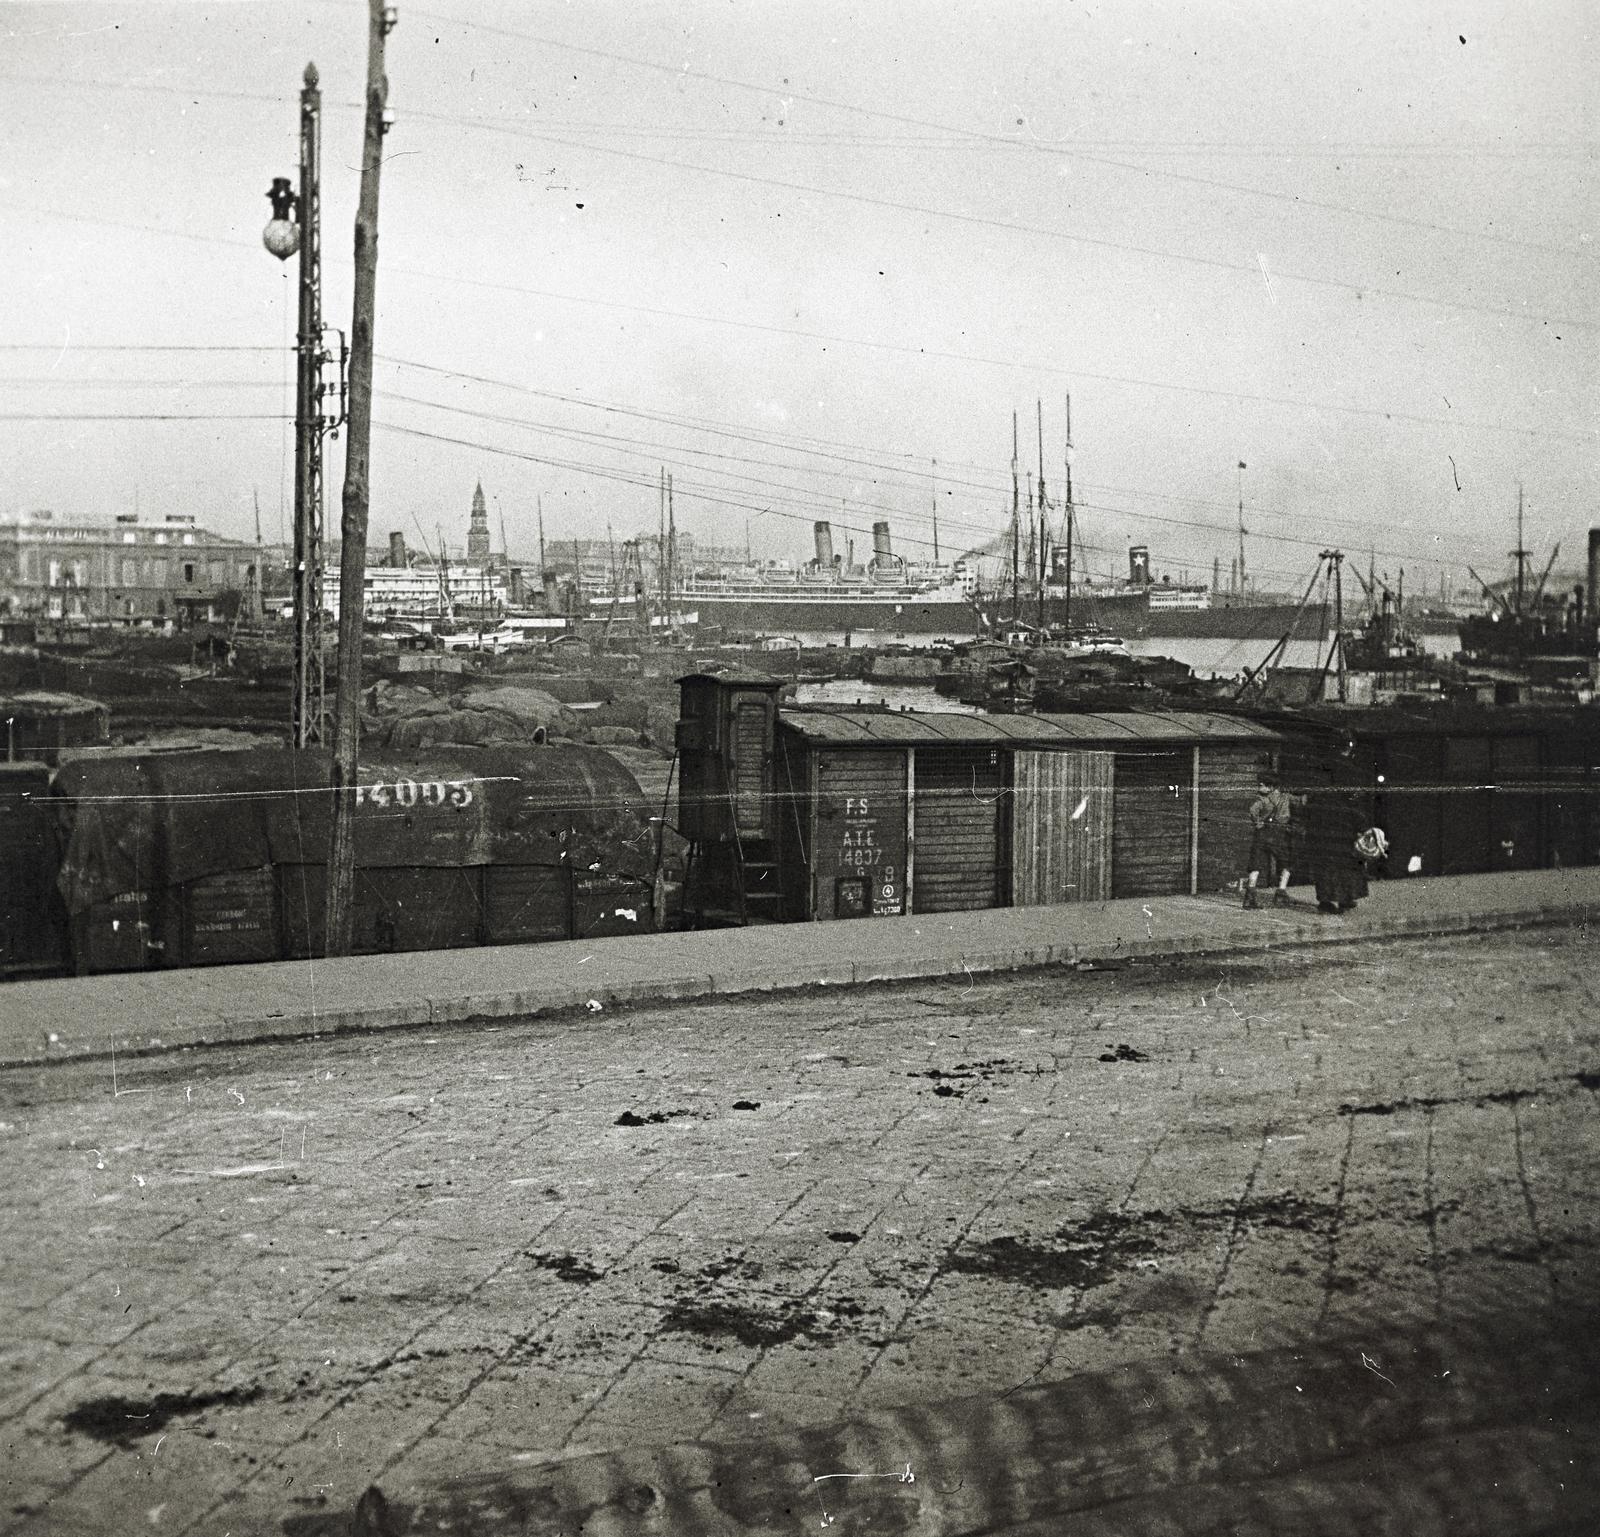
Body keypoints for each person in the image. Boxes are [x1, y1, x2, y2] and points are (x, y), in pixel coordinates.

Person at [1244, 769, 1300, 908]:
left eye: (1261, 785)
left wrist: (1257, 822)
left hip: (1262, 834)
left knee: (1255, 863)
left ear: (1271, 786)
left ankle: (1249, 897)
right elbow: (1301, 802)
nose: (1259, 788)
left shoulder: (1261, 799)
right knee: (1288, 862)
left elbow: (1252, 811)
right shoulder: (1286, 797)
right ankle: (1280, 892)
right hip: (1278, 835)